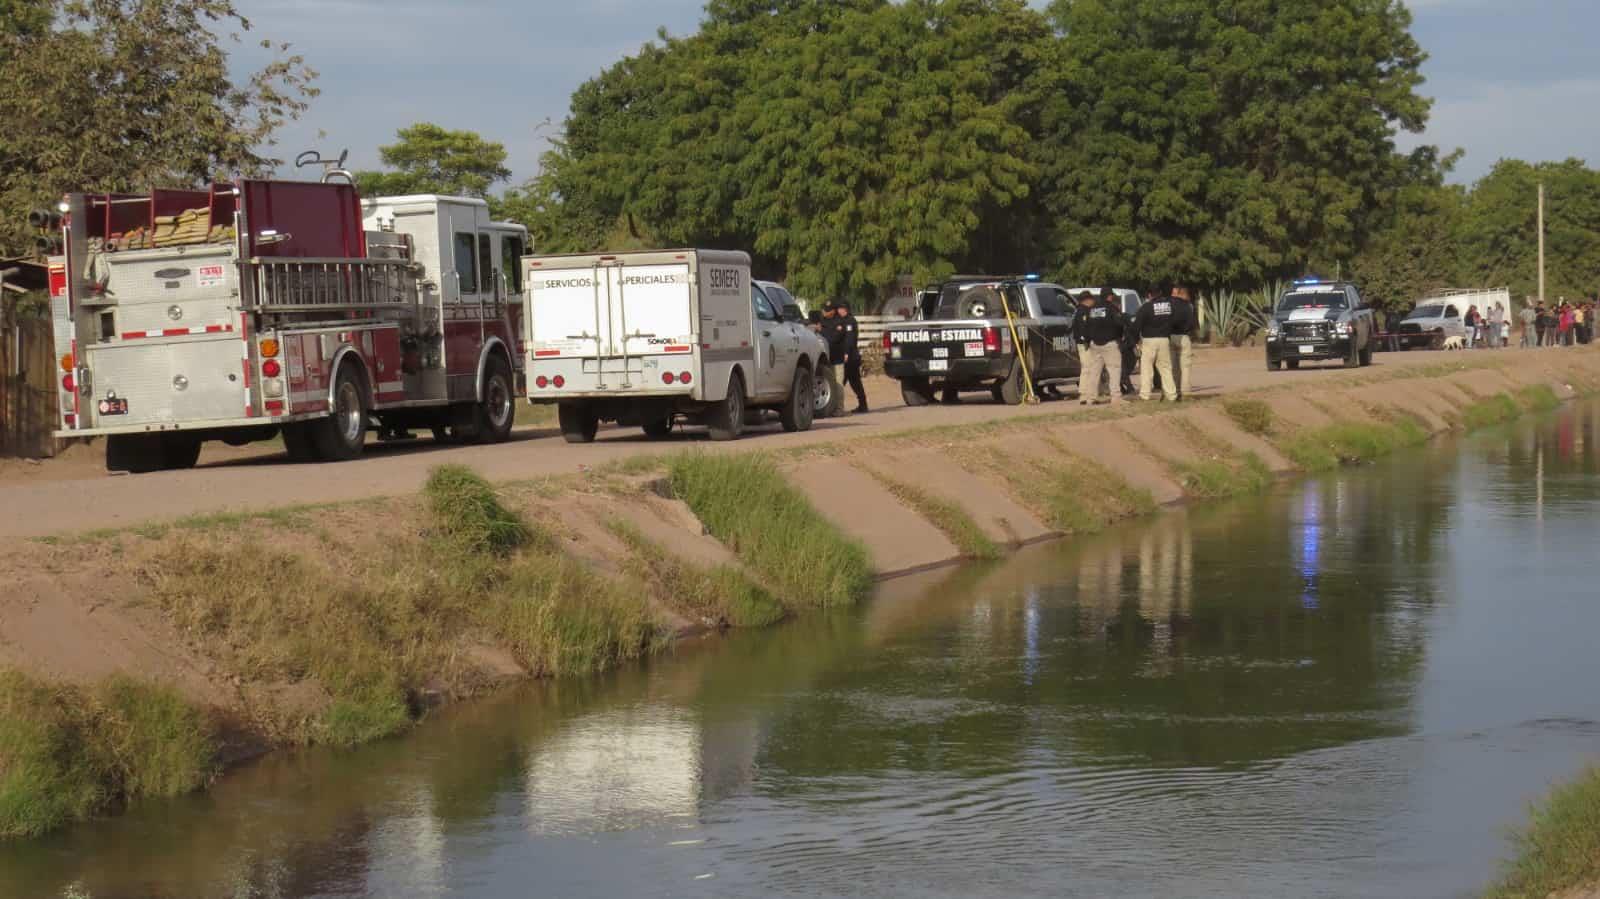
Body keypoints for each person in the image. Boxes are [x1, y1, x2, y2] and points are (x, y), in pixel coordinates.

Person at [1075, 288, 1125, 405]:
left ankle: (1090, 398)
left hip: (1094, 344)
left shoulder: (1091, 309)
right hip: (1109, 343)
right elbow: (1119, 323)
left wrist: (1088, 340)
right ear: (1110, 296)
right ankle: (1116, 397)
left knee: (1094, 372)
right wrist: (1119, 337)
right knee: (1114, 370)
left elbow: (1086, 326)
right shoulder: (1111, 308)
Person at [1132, 288, 1178, 401]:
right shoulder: (1169, 307)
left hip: (1149, 341)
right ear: (1160, 293)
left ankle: (1145, 395)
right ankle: (1172, 395)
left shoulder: (1146, 307)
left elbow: (1136, 325)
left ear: (1149, 295)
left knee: (1147, 368)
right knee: (1166, 368)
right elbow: (1175, 321)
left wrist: (1135, 340)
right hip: (1164, 340)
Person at [826, 300, 869, 413]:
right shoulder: (843, 321)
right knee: (851, 382)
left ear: (846, 309)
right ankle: (861, 405)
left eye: (841, 309)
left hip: (851, 357)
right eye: (838, 309)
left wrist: (846, 354)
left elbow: (850, 340)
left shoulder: (850, 321)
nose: (839, 311)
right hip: (848, 356)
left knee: (847, 382)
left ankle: (838, 407)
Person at [1168, 285, 1196, 399]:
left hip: (1171, 336)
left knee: (1174, 366)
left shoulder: (1169, 305)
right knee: (1185, 366)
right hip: (1184, 337)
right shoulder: (1189, 306)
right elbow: (1192, 323)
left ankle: (1175, 389)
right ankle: (1186, 391)